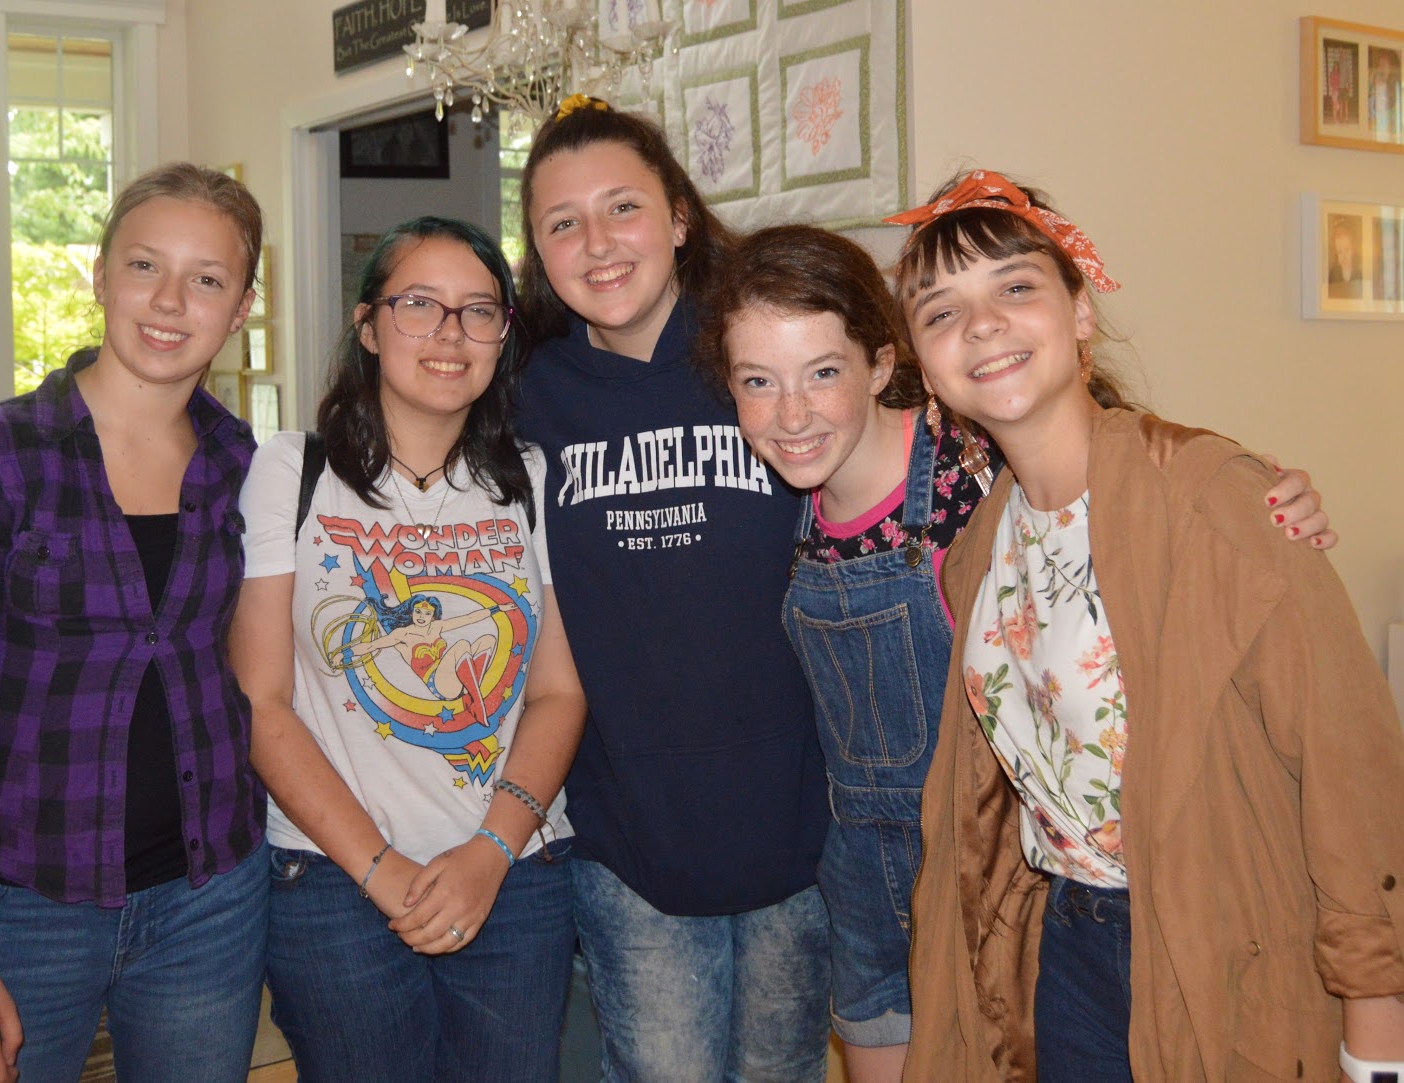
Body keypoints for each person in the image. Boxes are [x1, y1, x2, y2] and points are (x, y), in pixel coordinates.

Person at [696, 223, 1336, 1083]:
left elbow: (1103, 482)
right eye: (758, 382)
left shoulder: (974, 471)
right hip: (863, 881)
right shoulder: (778, 500)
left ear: (882, 364)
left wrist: (1257, 492)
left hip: (995, 871)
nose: (792, 413)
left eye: (821, 372)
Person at [890, 170, 1404, 1081]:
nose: (983, 325)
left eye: (1015, 287)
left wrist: (1377, 1028)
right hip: (1068, 950)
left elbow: (1350, 769)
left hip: (1222, 954)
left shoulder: (1214, 500)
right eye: (942, 311)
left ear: (1080, 311)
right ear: (927, 367)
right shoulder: (979, 549)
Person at [0, 162, 268, 1083]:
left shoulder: (245, 467)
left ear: (242, 307)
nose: (170, 300)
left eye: (207, 279)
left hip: (209, 900)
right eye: (144, 265)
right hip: (23, 904)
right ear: (100, 276)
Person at [515, 95, 833, 1080]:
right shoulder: (524, 395)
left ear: (680, 218)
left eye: (623, 207)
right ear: (537, 251)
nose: (597, 243)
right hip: (628, 838)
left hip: (798, 826)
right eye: (562, 222)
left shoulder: (760, 358)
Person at [229, 216, 587, 1083]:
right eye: (419, 304)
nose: (450, 333)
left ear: (504, 334)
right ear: (368, 325)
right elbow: (260, 702)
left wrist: (490, 852)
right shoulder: (293, 470)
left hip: (515, 871)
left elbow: (559, 693)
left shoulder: (531, 478)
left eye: (478, 311)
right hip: (332, 878)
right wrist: (381, 868)